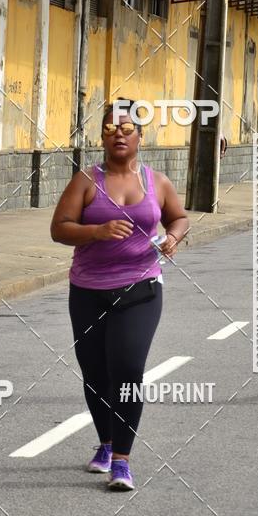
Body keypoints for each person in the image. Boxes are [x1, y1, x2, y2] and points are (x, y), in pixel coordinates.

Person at [50, 102, 189, 488]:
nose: (120, 134)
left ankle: (122, 462)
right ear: (103, 137)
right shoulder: (85, 181)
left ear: (140, 137)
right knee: (96, 374)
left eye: (127, 128)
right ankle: (106, 442)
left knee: (127, 370)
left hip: (141, 289)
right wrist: (95, 231)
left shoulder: (156, 181)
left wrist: (173, 238)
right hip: (88, 291)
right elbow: (59, 229)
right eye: (111, 128)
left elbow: (178, 216)